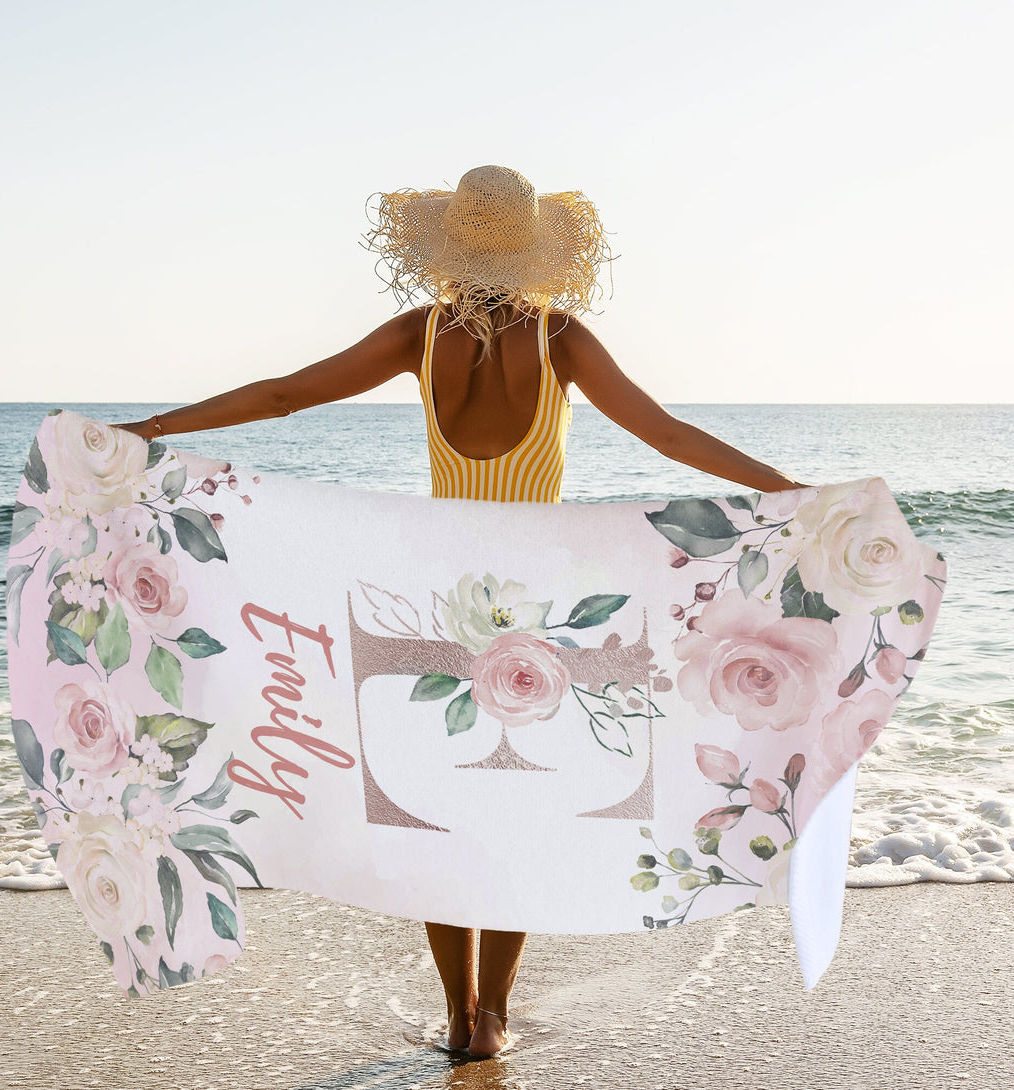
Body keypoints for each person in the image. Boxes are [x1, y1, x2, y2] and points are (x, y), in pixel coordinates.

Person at [119, 164, 805, 1058]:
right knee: (527, 808)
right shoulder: (562, 338)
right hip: (542, 610)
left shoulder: (420, 333)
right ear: (534, 252)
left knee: (439, 808)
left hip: (444, 600)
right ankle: (494, 1018)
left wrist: (151, 432)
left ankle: (454, 1013)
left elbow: (285, 395)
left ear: (444, 245)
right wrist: (788, 493)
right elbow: (667, 434)